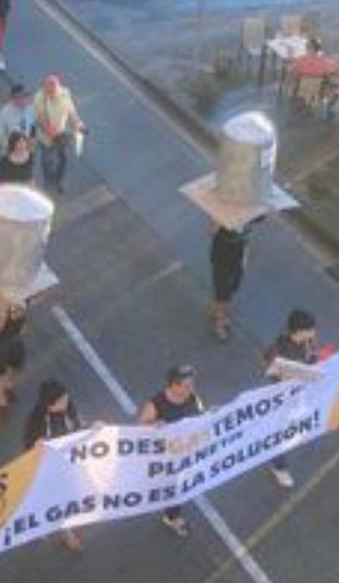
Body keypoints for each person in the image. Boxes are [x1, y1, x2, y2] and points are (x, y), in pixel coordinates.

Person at [138, 365, 205, 538]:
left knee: (179, 488)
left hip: (185, 453)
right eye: (186, 385)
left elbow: (201, 416)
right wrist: (153, 427)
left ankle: (172, 515)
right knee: (171, 488)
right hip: (165, 459)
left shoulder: (193, 398)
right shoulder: (155, 404)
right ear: (173, 385)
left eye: (192, 384)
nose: (191, 388)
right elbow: (139, 430)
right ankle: (172, 516)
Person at [22, 380, 85, 550]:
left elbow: (79, 427)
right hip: (49, 472)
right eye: (62, 400)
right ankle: (67, 536)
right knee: (56, 504)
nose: (67, 400)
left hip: (68, 465)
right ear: (50, 405)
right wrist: (37, 448)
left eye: (66, 397)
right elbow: (29, 451)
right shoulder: (37, 423)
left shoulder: (68, 408)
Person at [262, 309, 318, 488]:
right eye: (311, 329)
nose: (314, 332)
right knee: (280, 432)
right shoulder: (278, 349)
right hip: (282, 397)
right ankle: (278, 466)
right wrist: (287, 375)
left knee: (290, 429)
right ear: (300, 330)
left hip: (299, 394)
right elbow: (269, 371)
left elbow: (312, 360)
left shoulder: (308, 343)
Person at [34, 75, 85, 194]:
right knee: (47, 161)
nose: (53, 94)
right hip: (46, 137)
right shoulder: (39, 98)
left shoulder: (65, 94)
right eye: (50, 92)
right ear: (45, 88)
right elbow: (38, 118)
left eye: (55, 91)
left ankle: (59, 180)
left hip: (61, 135)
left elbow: (71, 110)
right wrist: (48, 130)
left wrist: (77, 122)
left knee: (63, 159)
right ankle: (48, 181)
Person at [0, 301, 27, 419]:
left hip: (13, 352)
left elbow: (22, 328)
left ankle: (9, 390)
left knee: (10, 374)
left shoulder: (17, 312)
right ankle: (2, 406)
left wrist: (16, 314)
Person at [209, 223, 249, 341]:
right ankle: (219, 324)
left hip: (239, 257)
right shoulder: (224, 212)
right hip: (222, 257)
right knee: (223, 292)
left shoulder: (250, 211)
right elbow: (211, 231)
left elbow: (259, 218)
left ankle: (215, 311)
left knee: (231, 289)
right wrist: (217, 225)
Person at [0, 83, 35, 153]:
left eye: (24, 97)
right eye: (18, 98)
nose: (22, 100)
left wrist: (32, 141)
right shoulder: (4, 113)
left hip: (27, 149)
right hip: (11, 150)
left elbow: (33, 126)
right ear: (13, 98)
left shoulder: (31, 109)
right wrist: (10, 146)